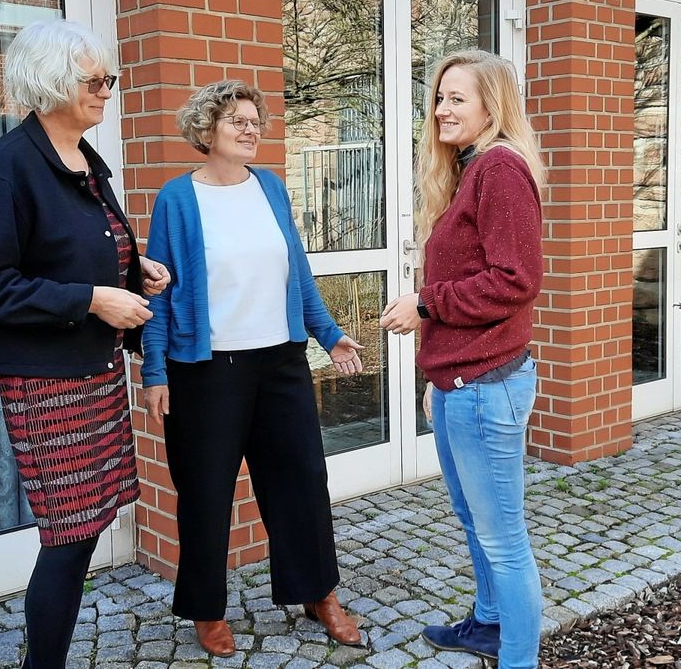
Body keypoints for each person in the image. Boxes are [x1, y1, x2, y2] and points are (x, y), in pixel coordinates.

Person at [0, 19, 169, 669]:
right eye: (94, 80)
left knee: (86, 526)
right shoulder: (7, 170)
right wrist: (92, 300)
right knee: (70, 534)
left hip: (92, 364)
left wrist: (134, 274)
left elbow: (85, 249)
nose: (107, 90)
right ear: (48, 85)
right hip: (46, 378)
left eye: (111, 78)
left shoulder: (84, 157)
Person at [141, 80, 365, 657]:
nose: (250, 129)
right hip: (206, 370)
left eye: (254, 121)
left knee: (302, 485)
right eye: (236, 120)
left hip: (281, 362)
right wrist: (156, 372)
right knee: (206, 492)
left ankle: (319, 592)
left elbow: (299, 273)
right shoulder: (177, 199)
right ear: (206, 130)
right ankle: (206, 610)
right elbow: (158, 292)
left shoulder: (270, 189)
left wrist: (331, 335)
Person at [379, 50, 546, 669]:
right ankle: (488, 624)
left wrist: (426, 304)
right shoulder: (472, 169)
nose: (442, 109)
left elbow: (515, 280)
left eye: (458, 99)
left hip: (487, 385)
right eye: (440, 97)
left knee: (504, 539)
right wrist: (438, 376)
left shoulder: (500, 168)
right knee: (477, 523)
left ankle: (518, 658)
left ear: (491, 107)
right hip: (461, 382)